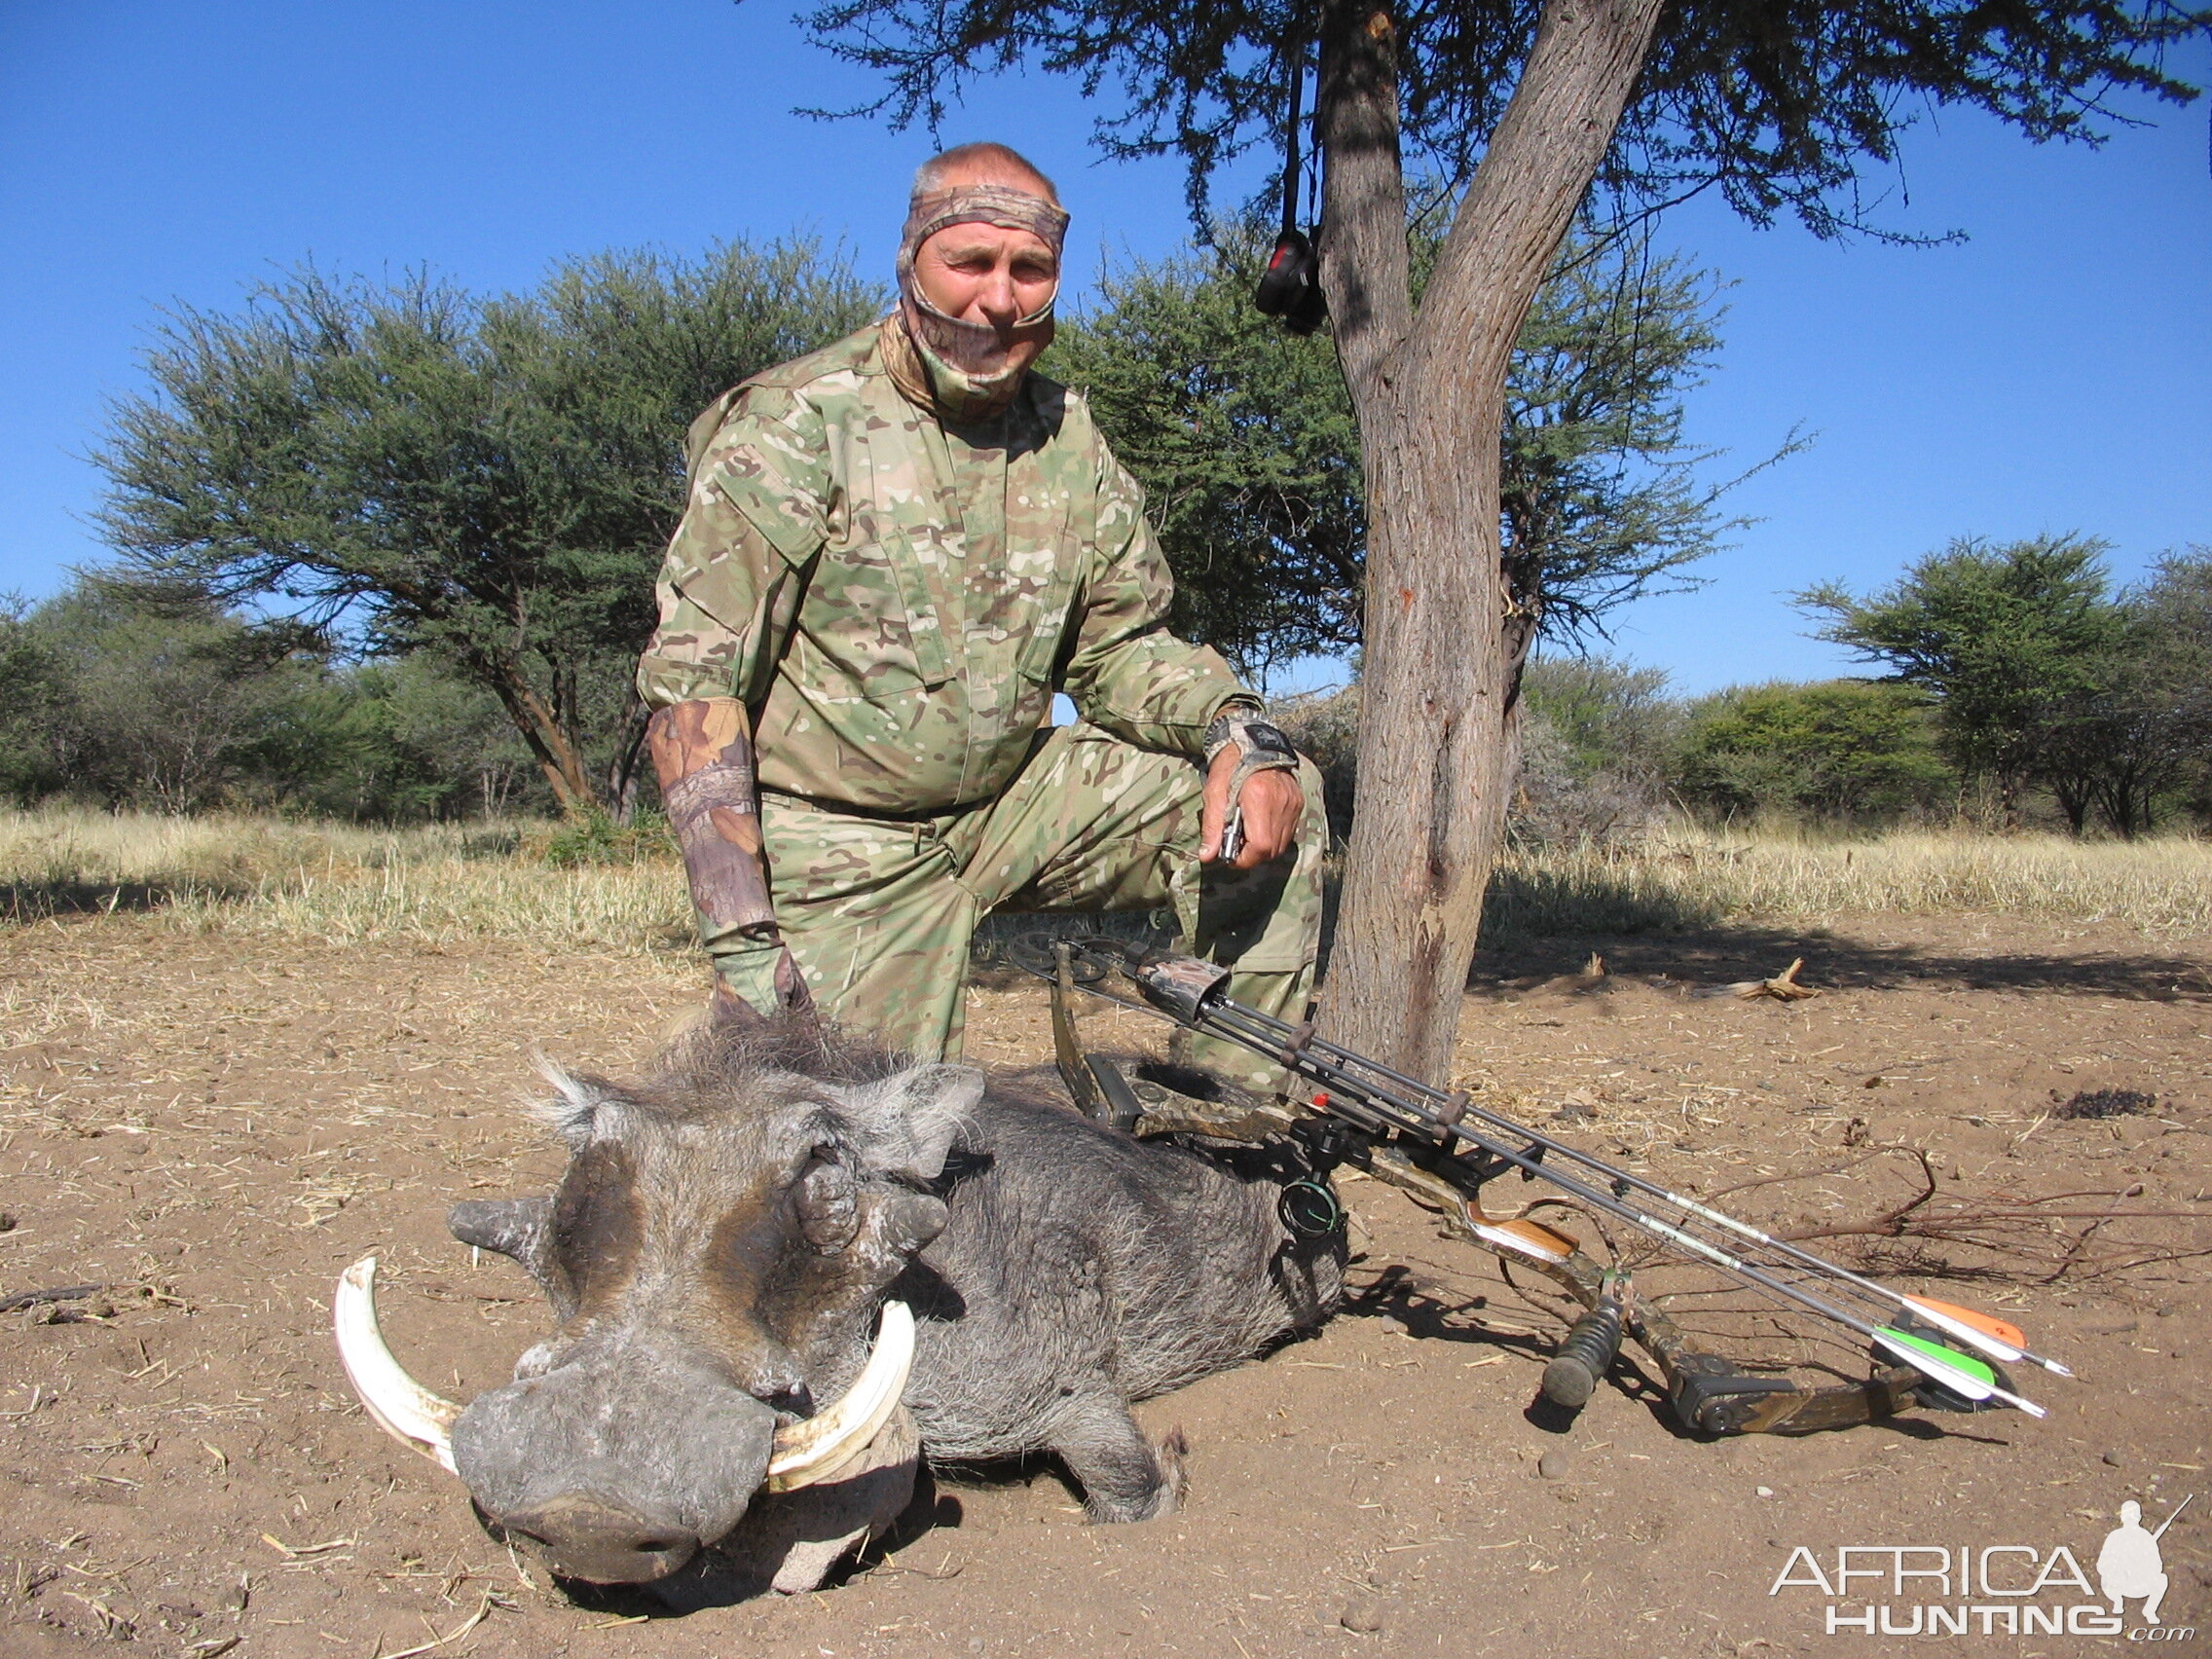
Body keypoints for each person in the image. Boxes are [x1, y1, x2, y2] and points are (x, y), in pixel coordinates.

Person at [636, 141, 1324, 1086]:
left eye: (1028, 269)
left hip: (1015, 802)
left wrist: (1237, 732)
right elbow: (693, 687)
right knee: (876, 1153)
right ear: (911, 261)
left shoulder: (1068, 437)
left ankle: (1233, 1133)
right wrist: (745, 948)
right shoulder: (796, 422)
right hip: (843, 842)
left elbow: (1118, 648)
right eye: (969, 263)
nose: (998, 298)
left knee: (1279, 793)